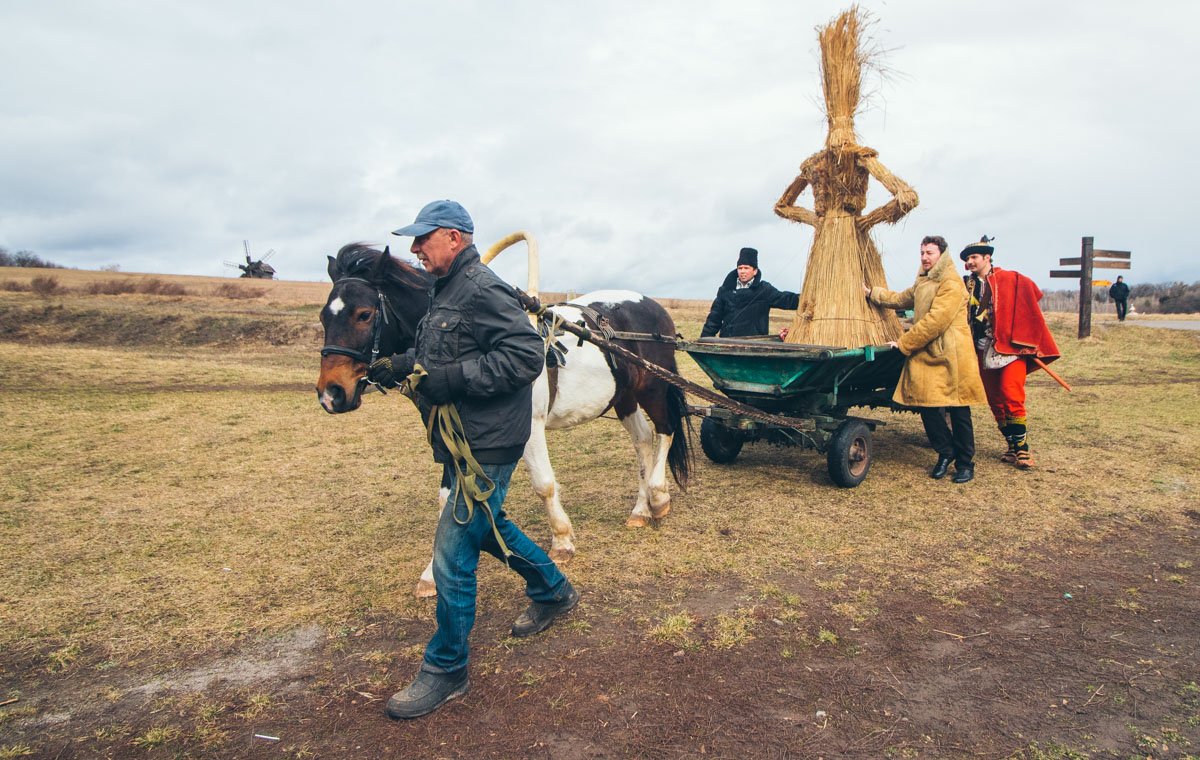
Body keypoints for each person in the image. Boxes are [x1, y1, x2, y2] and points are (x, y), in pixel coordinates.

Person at [365, 200, 579, 719]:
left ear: (455, 239)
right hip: (465, 437)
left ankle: (446, 669)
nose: (414, 249)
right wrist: (401, 366)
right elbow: (443, 355)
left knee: (453, 553)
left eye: (423, 239)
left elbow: (526, 355)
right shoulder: (445, 290)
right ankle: (553, 590)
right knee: (485, 527)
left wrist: (452, 380)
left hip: (490, 441)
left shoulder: (482, 288)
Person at [866, 236, 986, 483]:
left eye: (929, 253)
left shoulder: (951, 282)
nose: (924, 257)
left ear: (941, 254)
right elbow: (901, 299)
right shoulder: (924, 280)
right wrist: (872, 294)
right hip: (929, 353)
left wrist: (903, 344)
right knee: (927, 405)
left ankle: (965, 463)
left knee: (959, 410)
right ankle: (946, 451)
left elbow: (935, 322)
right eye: (922, 252)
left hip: (952, 355)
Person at [961, 236, 1061, 469]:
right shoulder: (968, 285)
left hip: (1010, 349)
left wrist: (1020, 330)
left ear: (987, 257)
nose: (970, 262)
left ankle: (1023, 449)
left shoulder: (1010, 279)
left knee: (1011, 394)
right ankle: (1011, 445)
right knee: (995, 400)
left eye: (974, 257)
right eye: (968, 259)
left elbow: (1033, 294)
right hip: (982, 349)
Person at [700, 247, 799, 338]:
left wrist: (805, 299)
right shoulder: (726, 290)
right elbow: (714, 319)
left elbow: (786, 300)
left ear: (755, 271)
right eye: (740, 268)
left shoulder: (764, 289)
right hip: (728, 344)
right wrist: (704, 340)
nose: (742, 271)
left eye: (746, 268)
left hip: (755, 346)